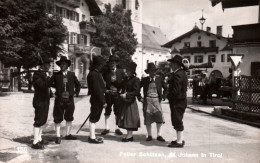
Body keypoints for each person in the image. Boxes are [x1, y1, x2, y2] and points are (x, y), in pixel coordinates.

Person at [50, 56, 81, 144]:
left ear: (67, 65)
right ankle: (58, 136)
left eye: (64, 64)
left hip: (69, 99)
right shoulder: (56, 75)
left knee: (69, 117)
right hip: (59, 99)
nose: (62, 65)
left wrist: (75, 93)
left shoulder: (71, 74)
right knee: (57, 117)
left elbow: (78, 85)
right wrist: (54, 89)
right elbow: (49, 83)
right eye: (61, 64)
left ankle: (68, 134)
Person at [139, 62, 167, 142]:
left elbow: (166, 88)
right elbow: (137, 89)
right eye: (151, 71)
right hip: (147, 101)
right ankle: (149, 135)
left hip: (157, 101)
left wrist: (164, 96)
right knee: (148, 119)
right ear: (148, 72)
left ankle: (159, 135)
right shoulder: (144, 80)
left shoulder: (159, 79)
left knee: (159, 118)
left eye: (154, 71)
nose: (153, 73)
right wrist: (139, 97)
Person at [167, 55, 188, 148]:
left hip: (177, 101)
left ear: (176, 64)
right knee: (177, 119)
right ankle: (180, 139)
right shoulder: (182, 73)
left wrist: (169, 96)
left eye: (172, 63)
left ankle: (179, 142)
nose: (170, 65)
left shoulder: (177, 74)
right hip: (180, 101)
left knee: (177, 120)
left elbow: (176, 90)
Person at [101, 55, 124, 136]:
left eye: (113, 63)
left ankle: (117, 128)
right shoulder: (106, 72)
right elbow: (101, 83)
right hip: (108, 94)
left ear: (116, 63)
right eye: (111, 63)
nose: (112, 64)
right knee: (107, 111)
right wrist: (105, 90)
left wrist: (122, 91)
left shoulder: (120, 72)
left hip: (117, 95)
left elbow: (125, 83)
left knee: (117, 111)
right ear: (109, 64)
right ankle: (106, 128)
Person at [117, 61, 141, 142]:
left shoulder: (136, 80)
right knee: (126, 118)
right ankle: (129, 135)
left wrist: (127, 95)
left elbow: (136, 91)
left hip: (130, 101)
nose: (126, 72)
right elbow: (120, 86)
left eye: (128, 71)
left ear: (132, 71)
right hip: (125, 101)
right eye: (126, 70)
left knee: (130, 118)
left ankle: (129, 136)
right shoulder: (126, 79)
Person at [32, 57, 51, 149]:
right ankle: (35, 142)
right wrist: (47, 78)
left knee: (43, 120)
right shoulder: (37, 75)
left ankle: (39, 139)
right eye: (48, 64)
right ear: (43, 65)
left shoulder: (44, 74)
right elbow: (42, 86)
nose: (50, 66)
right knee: (38, 120)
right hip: (39, 100)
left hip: (45, 100)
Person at [87, 56, 107, 144]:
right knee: (94, 118)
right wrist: (103, 101)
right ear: (98, 65)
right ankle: (92, 137)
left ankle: (92, 135)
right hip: (97, 99)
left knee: (94, 117)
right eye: (101, 64)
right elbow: (97, 89)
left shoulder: (95, 73)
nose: (102, 66)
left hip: (96, 98)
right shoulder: (94, 74)